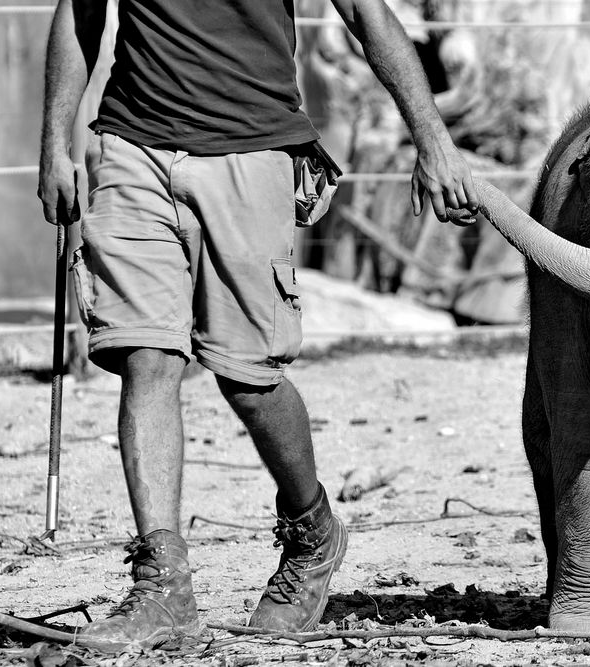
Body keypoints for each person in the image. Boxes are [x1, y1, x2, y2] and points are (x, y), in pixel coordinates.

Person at [37, 0, 479, 647]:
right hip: (133, 145)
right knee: (146, 356)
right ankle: (164, 587)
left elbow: (365, 13)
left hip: (253, 148)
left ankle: (312, 529)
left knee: (247, 378)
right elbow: (78, 14)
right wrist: (54, 142)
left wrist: (433, 138)